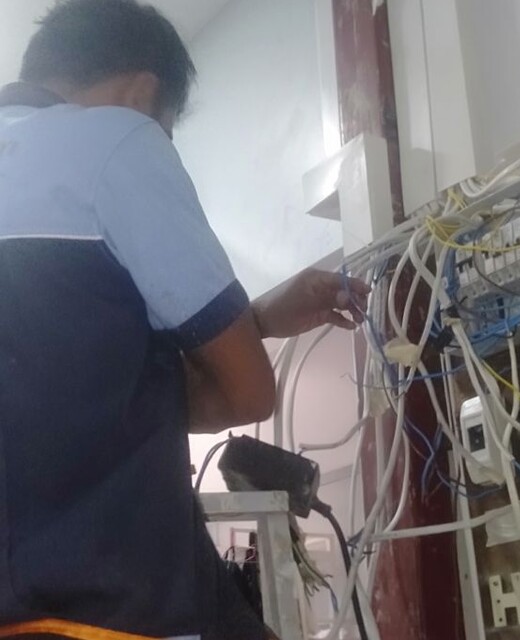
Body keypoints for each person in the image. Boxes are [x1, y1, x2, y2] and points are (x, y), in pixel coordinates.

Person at [0, 1, 370, 639]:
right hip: (108, 606)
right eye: (166, 129)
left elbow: (61, 379)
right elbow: (247, 393)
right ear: (142, 96)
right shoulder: (116, 139)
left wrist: (257, 318)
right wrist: (244, 335)